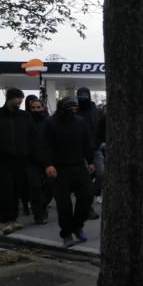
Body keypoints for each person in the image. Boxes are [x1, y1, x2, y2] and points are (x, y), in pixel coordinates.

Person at [42, 96, 95, 247]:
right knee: (63, 205)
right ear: (62, 108)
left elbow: (86, 142)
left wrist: (90, 161)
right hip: (59, 169)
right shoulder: (50, 123)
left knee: (87, 196)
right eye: (70, 108)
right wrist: (48, 165)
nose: (73, 111)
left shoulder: (80, 122)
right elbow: (45, 146)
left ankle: (77, 225)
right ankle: (67, 233)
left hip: (79, 166)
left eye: (75, 108)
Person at [0, 88, 33, 235]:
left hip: (20, 159)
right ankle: (6, 221)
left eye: (21, 99)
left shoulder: (24, 117)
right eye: (18, 98)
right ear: (10, 98)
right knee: (5, 190)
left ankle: (14, 219)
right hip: (2, 160)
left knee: (17, 189)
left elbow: (31, 136)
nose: (20, 101)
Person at [25, 96, 51, 224]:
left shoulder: (49, 122)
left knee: (50, 187)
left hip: (48, 161)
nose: (36, 110)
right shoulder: (26, 122)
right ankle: (39, 214)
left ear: (43, 108)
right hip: (31, 161)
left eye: (38, 107)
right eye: (33, 108)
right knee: (35, 188)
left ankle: (42, 206)